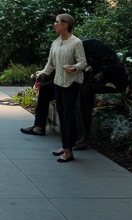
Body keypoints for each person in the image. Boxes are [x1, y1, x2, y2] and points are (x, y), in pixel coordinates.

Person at [20, 37, 128, 148]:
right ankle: (39, 126)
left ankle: (84, 138)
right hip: (81, 81)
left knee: (84, 92)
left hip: (107, 82)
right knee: (46, 89)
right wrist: (44, 75)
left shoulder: (90, 48)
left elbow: (94, 72)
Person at [34, 13, 86, 163]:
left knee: (69, 116)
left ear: (66, 25)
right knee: (61, 115)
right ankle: (65, 146)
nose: (54, 24)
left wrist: (74, 68)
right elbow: (50, 64)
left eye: (57, 22)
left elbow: (83, 63)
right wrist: (41, 74)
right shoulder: (56, 42)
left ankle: (69, 150)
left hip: (71, 84)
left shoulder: (76, 42)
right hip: (58, 82)